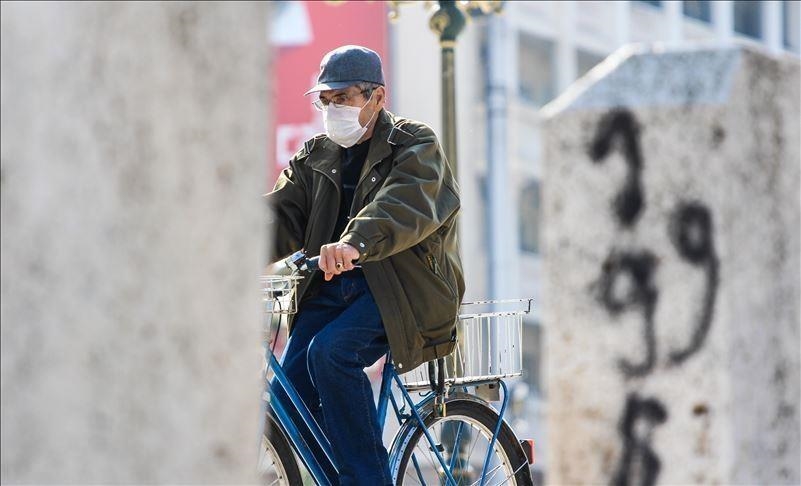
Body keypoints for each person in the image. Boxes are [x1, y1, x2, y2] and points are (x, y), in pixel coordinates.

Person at [266, 44, 464, 485]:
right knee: (287, 401)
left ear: (377, 97)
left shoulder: (414, 143)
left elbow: (404, 203)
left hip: (399, 291)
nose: (333, 108)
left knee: (331, 353)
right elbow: (279, 215)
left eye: (345, 98)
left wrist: (354, 243)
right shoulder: (315, 156)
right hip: (330, 290)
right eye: (326, 100)